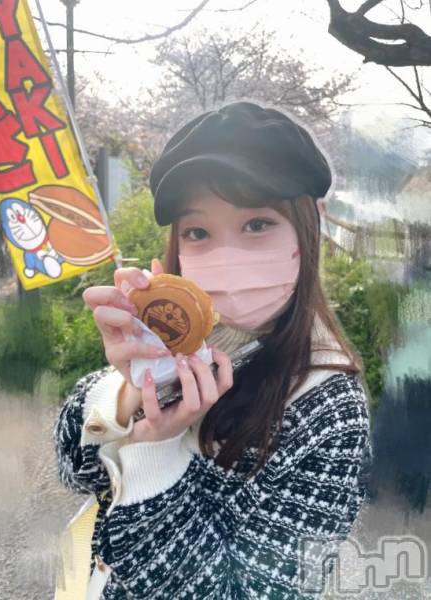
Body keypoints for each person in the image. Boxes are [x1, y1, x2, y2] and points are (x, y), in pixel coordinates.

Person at [53, 101, 373, 600]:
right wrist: (131, 390)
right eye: (198, 232)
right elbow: (75, 470)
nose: (227, 256)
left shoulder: (329, 408)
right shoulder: (174, 337)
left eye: (258, 224)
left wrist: (156, 452)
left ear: (312, 225)